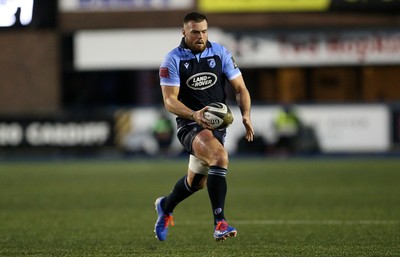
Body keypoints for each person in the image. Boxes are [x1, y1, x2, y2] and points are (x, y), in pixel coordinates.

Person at [154, 12, 254, 242]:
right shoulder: (172, 59)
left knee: (196, 183)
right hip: (189, 125)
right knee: (219, 157)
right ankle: (220, 222)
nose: (201, 36)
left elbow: (240, 88)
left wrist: (246, 114)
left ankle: (165, 206)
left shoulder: (220, 52)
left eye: (204, 31)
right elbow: (170, 101)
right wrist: (194, 115)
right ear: (184, 32)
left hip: (216, 128)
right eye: (195, 32)